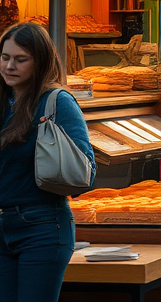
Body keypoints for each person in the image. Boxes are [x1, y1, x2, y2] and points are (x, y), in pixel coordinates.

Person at [0, 22, 95, 302]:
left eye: (20, 59)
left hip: (41, 226)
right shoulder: (4, 103)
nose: (9, 66)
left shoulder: (56, 101)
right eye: (5, 57)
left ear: (40, 61)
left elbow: (86, 170)